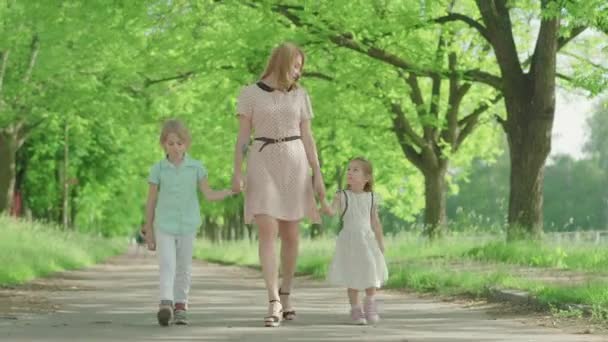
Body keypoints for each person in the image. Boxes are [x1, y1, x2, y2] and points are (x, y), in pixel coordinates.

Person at [232, 42, 326, 327]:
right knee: (268, 230)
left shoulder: (300, 95)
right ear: (281, 62)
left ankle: (286, 292)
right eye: (295, 65)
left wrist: (317, 173)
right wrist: (237, 171)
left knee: (292, 234)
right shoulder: (249, 94)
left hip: (295, 164)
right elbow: (242, 138)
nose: (298, 72)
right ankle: (272, 299)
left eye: (301, 67)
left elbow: (308, 137)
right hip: (262, 162)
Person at [143, 119, 233, 326]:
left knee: (183, 266)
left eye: (179, 143)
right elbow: (151, 200)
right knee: (167, 264)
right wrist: (149, 228)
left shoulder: (196, 167)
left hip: (188, 225)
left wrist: (229, 191)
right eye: (170, 143)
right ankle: (165, 303)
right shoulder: (158, 169)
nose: (175, 147)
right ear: (163, 144)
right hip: (164, 224)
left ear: (187, 144)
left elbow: (208, 194)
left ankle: (181, 305)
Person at [321, 157, 388, 325]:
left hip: (367, 240)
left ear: (367, 178)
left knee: (371, 270)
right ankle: (356, 309)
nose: (349, 172)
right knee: (353, 275)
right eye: (349, 169)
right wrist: (322, 200)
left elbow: (375, 222)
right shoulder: (342, 195)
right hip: (350, 240)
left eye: (355, 170)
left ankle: (370, 304)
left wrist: (380, 243)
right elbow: (331, 212)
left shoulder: (372, 197)